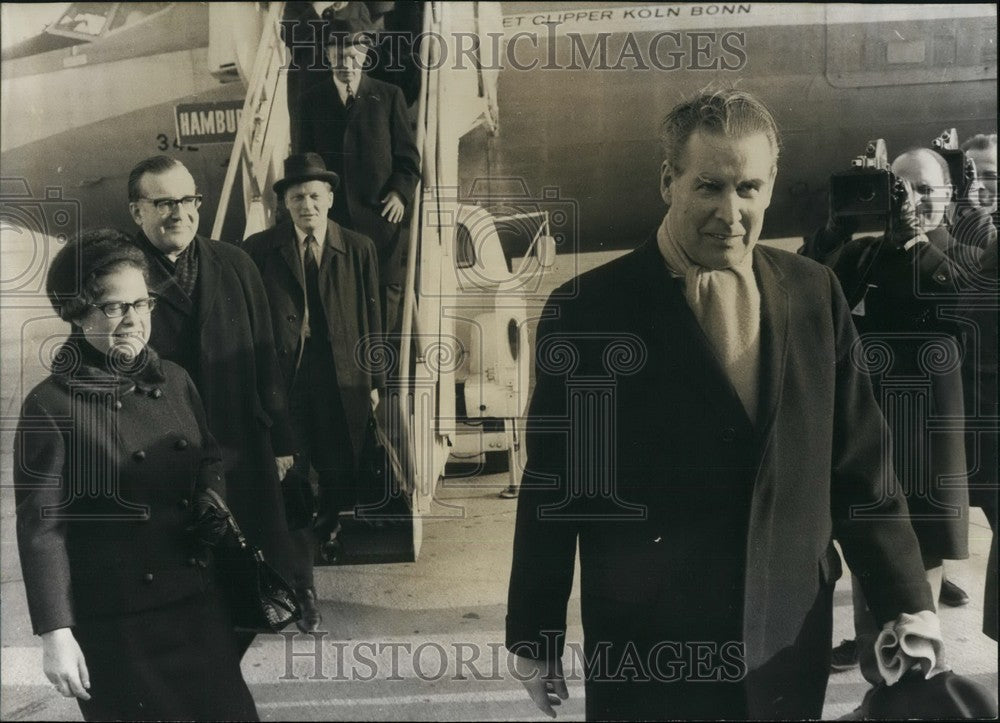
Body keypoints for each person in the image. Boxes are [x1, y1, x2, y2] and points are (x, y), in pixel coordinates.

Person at [506, 89, 943, 720]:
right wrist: (535, 636)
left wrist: (909, 603)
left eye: (749, 189)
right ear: (669, 181)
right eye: (709, 186)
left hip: (786, 642)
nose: (730, 212)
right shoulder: (589, 312)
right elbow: (555, 488)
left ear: (770, 189)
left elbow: (862, 469)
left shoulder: (814, 294)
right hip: (651, 649)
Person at [14, 229, 257, 721]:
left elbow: (208, 457)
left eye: (142, 304)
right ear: (77, 312)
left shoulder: (175, 379)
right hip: (119, 626)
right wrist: (55, 633)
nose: (133, 321)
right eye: (112, 307)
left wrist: (212, 497)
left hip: (197, 607)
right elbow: (43, 531)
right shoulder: (51, 404)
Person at [809, 148, 976, 674]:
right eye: (901, 189)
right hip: (868, 443)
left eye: (928, 190)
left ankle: (906, 685)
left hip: (925, 450)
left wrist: (916, 247)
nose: (915, 201)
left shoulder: (965, 259)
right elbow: (807, 291)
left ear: (950, 196)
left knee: (913, 600)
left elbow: (969, 315)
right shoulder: (862, 256)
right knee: (867, 571)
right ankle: (874, 669)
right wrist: (834, 232)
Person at [126, 155, 296, 651]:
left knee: (251, 581)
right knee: (184, 585)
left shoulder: (235, 263)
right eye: (163, 203)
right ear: (137, 212)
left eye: (187, 200)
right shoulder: (120, 276)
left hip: (242, 448)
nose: (178, 212)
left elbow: (266, 358)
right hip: (162, 457)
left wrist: (282, 439)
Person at [243, 153, 384, 632]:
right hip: (287, 388)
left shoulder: (358, 247)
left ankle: (322, 531)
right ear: (284, 203)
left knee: (342, 478)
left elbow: (373, 318)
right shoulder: (259, 249)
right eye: (297, 196)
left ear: (330, 199)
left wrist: (376, 383)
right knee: (295, 484)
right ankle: (304, 590)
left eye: (315, 196)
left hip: (344, 383)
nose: (307, 204)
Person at [295, 16, 421, 337]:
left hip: (381, 227)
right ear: (326, 56)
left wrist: (399, 193)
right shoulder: (310, 102)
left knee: (381, 322)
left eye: (353, 56)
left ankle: (376, 386)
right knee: (339, 321)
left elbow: (408, 160)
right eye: (338, 56)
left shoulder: (389, 96)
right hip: (333, 228)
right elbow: (303, 164)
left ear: (365, 54)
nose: (346, 64)